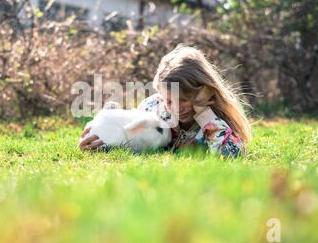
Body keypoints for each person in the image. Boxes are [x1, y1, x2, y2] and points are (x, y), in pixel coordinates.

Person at [79, 45, 251, 158]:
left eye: (184, 99)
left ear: (203, 90)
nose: (176, 108)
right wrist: (100, 140)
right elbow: (130, 139)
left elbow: (232, 157)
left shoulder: (214, 119)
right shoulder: (153, 109)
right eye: (168, 100)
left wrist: (204, 115)